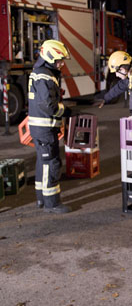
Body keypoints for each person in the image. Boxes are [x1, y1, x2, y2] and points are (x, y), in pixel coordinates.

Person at [28, 39, 73, 214]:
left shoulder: (41, 71)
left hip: (40, 127)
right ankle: (52, 203)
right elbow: (48, 106)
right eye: (59, 60)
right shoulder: (45, 75)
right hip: (45, 128)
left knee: (42, 162)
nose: (62, 64)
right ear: (49, 57)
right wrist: (67, 111)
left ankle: (41, 199)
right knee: (51, 163)